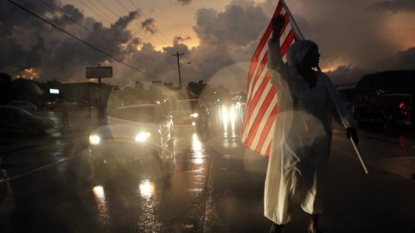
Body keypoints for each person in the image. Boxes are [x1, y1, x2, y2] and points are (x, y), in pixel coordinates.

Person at [264, 15, 359, 233]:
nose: (319, 56)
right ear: (303, 56)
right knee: (288, 178)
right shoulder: (286, 76)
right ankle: (278, 222)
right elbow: (273, 62)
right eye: (315, 53)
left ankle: (313, 224)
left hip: (318, 138)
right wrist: (276, 33)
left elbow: (337, 104)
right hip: (291, 139)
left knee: (317, 180)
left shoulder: (323, 80)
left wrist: (349, 125)